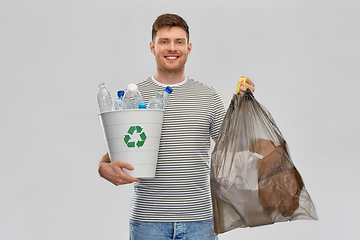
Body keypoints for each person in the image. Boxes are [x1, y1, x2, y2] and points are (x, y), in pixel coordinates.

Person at [98, 13, 255, 240]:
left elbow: (233, 150)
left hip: (200, 221)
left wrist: (243, 105)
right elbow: (122, 147)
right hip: (148, 221)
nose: (172, 48)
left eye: (178, 42)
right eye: (164, 42)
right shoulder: (134, 95)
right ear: (152, 48)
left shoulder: (208, 97)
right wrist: (102, 167)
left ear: (189, 48)